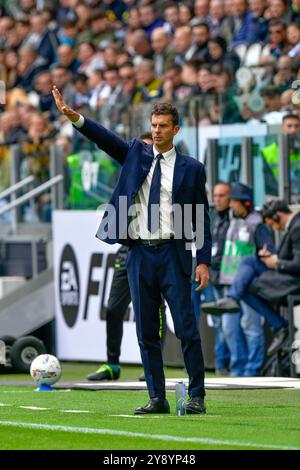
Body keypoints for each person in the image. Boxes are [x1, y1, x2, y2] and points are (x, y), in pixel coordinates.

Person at [52, 87, 211, 415]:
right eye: (153, 125)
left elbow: (202, 215)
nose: (156, 131)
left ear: (176, 129)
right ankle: (157, 397)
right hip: (139, 254)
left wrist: (204, 261)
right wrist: (75, 118)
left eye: (163, 126)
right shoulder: (137, 154)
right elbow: (106, 139)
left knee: (185, 327)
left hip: (173, 252)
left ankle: (197, 394)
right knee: (145, 331)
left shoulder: (191, 168)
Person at [86, 133, 166, 383]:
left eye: (147, 149)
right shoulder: (129, 173)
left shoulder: (167, 177)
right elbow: (107, 142)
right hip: (128, 248)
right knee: (113, 307)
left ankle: (154, 364)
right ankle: (112, 364)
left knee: (155, 309)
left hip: (156, 247)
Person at [202, 199, 300, 356]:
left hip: (293, 281)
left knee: (246, 280)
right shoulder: (294, 227)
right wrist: (271, 258)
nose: (273, 228)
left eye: (271, 224)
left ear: (277, 215)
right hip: (285, 275)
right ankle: (234, 298)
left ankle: (278, 325)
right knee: (250, 263)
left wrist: (277, 263)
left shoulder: (297, 227)